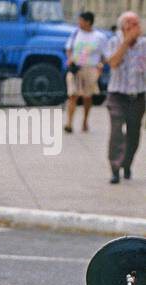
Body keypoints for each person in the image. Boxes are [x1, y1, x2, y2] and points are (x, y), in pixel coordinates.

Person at [104, 11, 146, 182]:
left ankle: (127, 163)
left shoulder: (144, 44)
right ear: (124, 26)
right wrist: (126, 42)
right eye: (132, 24)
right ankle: (115, 167)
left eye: (138, 24)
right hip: (117, 94)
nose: (136, 27)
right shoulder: (114, 41)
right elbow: (113, 63)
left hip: (138, 95)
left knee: (134, 134)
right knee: (116, 130)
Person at [64, 11, 103, 133]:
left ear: (88, 22)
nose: (79, 23)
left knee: (87, 96)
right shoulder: (75, 33)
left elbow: (105, 54)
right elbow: (69, 48)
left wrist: (100, 66)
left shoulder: (99, 37)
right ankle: (69, 123)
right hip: (76, 68)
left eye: (81, 20)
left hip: (90, 68)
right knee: (72, 95)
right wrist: (70, 58)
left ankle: (85, 120)